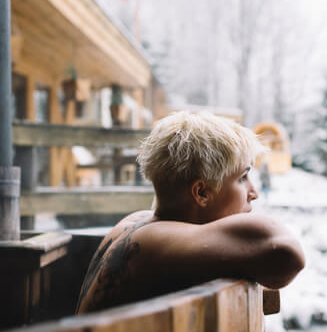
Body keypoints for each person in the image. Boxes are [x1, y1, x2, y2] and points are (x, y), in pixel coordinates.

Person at [76, 111, 304, 314]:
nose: (254, 192)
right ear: (201, 192)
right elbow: (285, 251)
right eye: (242, 178)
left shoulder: (137, 221)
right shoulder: (158, 240)